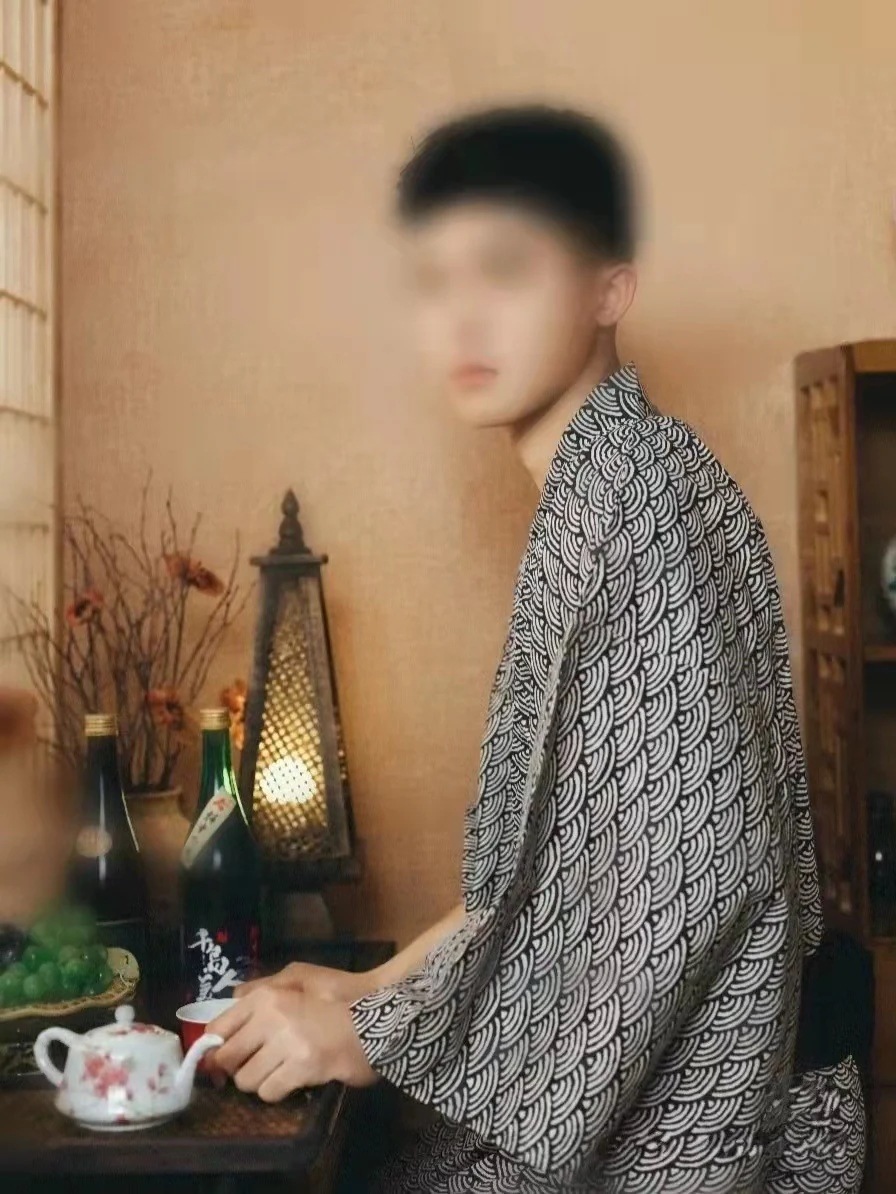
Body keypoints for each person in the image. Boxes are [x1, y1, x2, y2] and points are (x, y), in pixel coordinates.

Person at [210, 104, 866, 1192]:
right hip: (658, 1077)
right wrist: (374, 988)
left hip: (696, 1124)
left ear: (610, 288)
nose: (462, 318)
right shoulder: (606, 483)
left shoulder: (638, 500)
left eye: (506, 269)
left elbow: (685, 884)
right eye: (433, 281)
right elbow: (553, 869)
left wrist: (375, 1037)